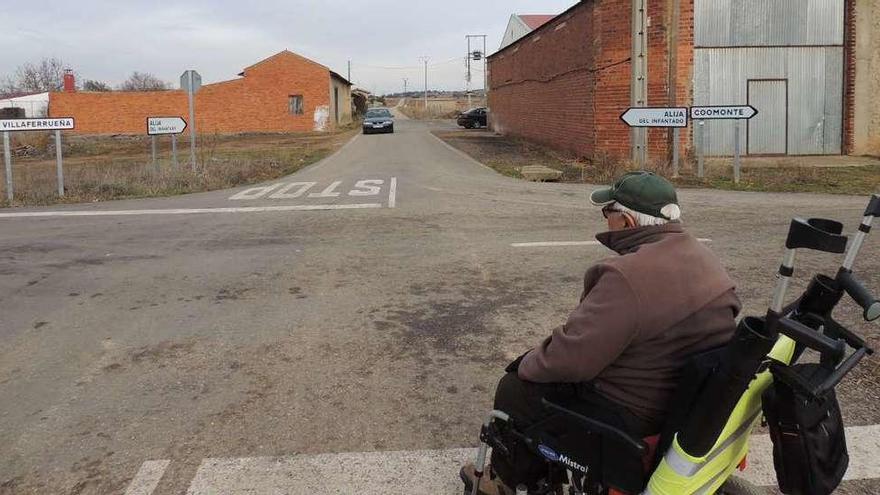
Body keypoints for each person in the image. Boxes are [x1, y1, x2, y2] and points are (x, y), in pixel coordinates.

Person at [461, 171, 741, 495]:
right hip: (690, 407)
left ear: (624, 222)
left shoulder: (627, 276)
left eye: (607, 213)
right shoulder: (707, 259)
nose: (606, 220)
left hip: (634, 414)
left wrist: (527, 364)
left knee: (515, 388)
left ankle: (511, 482)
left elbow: (570, 359)